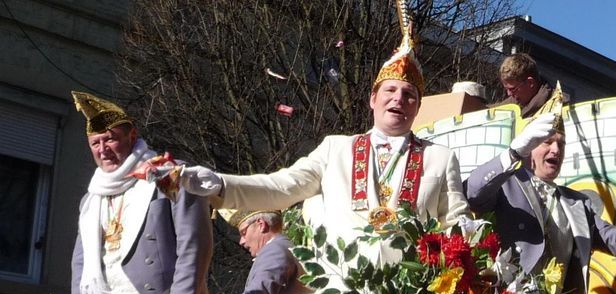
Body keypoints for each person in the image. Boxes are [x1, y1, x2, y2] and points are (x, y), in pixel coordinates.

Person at [179, 24, 469, 267]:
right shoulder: (335, 149)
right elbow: (281, 187)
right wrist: (219, 185)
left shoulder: (439, 158)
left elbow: (458, 226)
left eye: (409, 95)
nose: (398, 99)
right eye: (390, 90)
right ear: (372, 99)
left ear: (417, 107)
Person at [465, 113, 616, 294]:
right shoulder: (505, 183)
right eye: (547, 141)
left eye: (561, 144)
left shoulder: (577, 203)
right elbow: (473, 193)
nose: (556, 150)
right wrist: (512, 153)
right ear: (530, 145)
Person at [70, 91, 213, 294]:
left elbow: (194, 246)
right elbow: (81, 267)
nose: (103, 149)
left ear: (132, 135)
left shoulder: (167, 173)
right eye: (96, 143)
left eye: (110, 139)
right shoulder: (91, 199)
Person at [213, 209, 310, 294]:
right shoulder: (282, 246)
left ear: (261, 224)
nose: (241, 241)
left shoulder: (274, 251)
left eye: (243, 233)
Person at [494, 53, 565, 118]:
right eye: (506, 89)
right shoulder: (515, 101)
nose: (509, 94)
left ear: (530, 83)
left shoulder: (559, 106)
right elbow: (493, 110)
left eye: (512, 89)